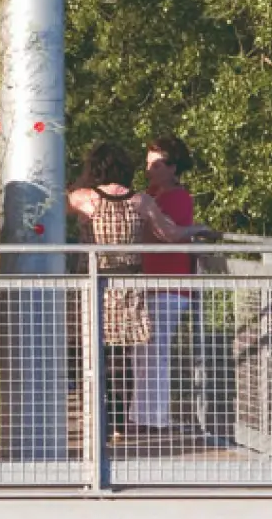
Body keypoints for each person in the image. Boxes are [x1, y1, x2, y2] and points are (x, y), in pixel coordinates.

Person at [68, 141, 164, 445]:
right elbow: (170, 232)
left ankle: (93, 417)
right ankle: (119, 423)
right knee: (123, 356)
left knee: (90, 354)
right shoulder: (141, 202)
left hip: (92, 283)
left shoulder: (84, 199)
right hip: (128, 286)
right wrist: (198, 230)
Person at [132, 136, 204, 443]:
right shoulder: (150, 194)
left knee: (155, 352)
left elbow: (170, 235)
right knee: (143, 351)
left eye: (157, 163)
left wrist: (196, 230)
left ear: (173, 167)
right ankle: (141, 415)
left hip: (171, 283)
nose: (150, 169)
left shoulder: (177, 196)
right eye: (148, 163)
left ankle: (154, 419)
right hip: (150, 282)